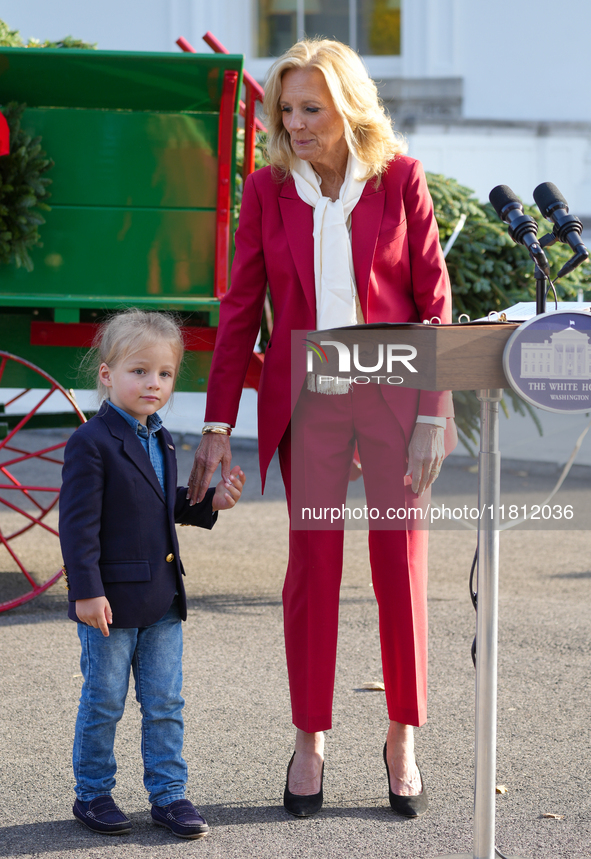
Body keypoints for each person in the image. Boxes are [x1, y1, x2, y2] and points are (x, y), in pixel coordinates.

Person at [189, 39, 456, 818]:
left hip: (394, 398)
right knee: (310, 571)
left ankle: (401, 735)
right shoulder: (268, 189)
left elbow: (433, 304)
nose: (296, 124)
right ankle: (309, 738)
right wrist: (214, 425)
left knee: (398, 570)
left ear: (348, 108)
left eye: (312, 109)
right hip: (310, 402)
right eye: (286, 110)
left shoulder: (401, 179)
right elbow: (240, 310)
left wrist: (432, 417)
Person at [59, 309, 245, 839]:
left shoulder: (159, 436)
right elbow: (76, 530)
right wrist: (86, 594)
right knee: (105, 700)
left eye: (164, 374)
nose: (153, 384)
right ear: (106, 374)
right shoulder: (91, 442)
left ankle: (169, 795)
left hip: (164, 600)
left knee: (165, 703)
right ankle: (92, 793)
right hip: (111, 605)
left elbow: (163, 505)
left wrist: (211, 502)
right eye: (139, 371)